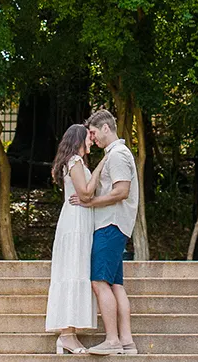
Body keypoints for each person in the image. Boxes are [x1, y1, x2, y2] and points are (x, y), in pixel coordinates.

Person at [70, 110, 139, 356]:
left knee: (99, 282)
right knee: (116, 284)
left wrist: (91, 202)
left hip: (110, 225)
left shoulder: (118, 155)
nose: (93, 139)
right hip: (116, 226)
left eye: (94, 133)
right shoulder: (115, 155)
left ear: (106, 129)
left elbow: (122, 191)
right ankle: (127, 341)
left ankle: (112, 340)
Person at [46, 124, 102, 354]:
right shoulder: (75, 162)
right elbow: (86, 193)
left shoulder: (75, 163)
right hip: (75, 222)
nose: (91, 141)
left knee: (77, 270)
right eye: (88, 138)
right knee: (72, 271)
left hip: (80, 220)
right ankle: (66, 335)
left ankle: (70, 334)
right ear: (79, 139)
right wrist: (100, 168)